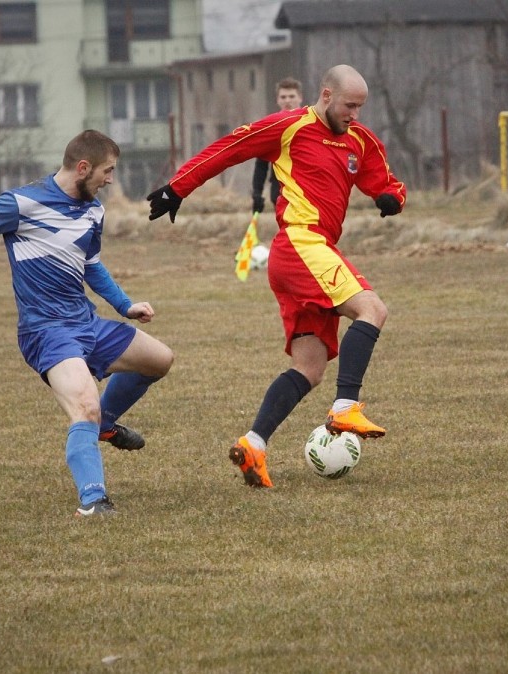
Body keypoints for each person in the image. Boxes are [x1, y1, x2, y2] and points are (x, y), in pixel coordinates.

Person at [147, 64, 405, 488]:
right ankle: (345, 406)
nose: (354, 114)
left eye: (360, 106)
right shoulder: (290, 127)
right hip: (302, 245)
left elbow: (384, 178)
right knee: (372, 309)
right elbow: (231, 147)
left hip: (305, 255)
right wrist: (178, 187)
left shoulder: (359, 138)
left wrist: (392, 197)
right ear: (326, 95)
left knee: (309, 367)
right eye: (348, 105)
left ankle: (254, 444)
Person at [0, 129, 174, 516]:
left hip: (86, 322)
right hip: (46, 332)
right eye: (107, 171)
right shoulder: (23, 204)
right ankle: (93, 501)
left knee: (159, 359)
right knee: (84, 406)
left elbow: (90, 264)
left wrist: (124, 305)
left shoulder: (93, 210)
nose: (110, 180)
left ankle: (105, 424)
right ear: (83, 167)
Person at [251, 77, 303, 214]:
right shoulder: (272, 128)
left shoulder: (312, 125)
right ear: (277, 100)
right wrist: (257, 193)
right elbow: (261, 164)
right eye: (283, 97)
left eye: (291, 96)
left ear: (300, 98)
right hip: (281, 193)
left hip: (307, 192)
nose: (287, 100)